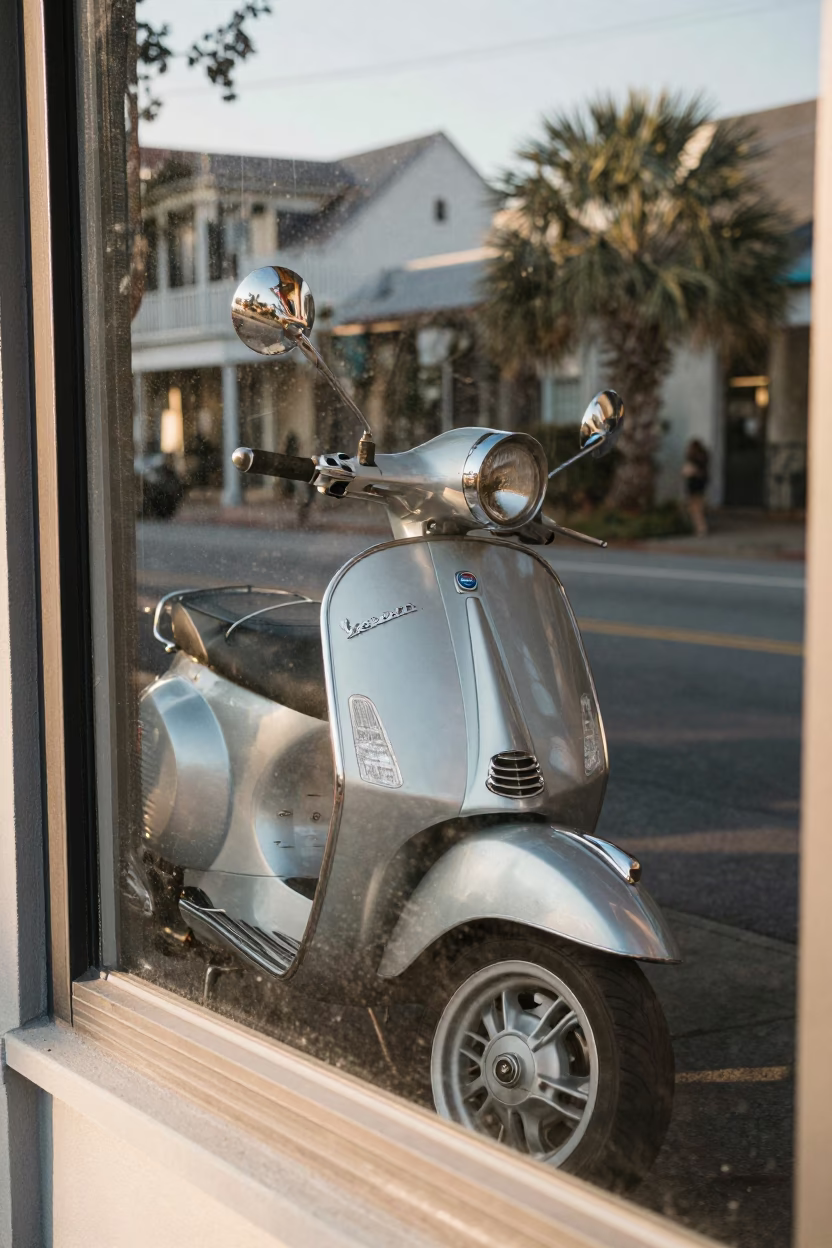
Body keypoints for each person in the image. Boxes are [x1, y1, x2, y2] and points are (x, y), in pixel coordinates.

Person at [682, 439, 710, 537]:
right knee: (697, 507)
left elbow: (688, 472)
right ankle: (700, 528)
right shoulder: (703, 459)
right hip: (700, 486)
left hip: (693, 486)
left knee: (696, 509)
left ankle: (701, 529)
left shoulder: (693, 460)